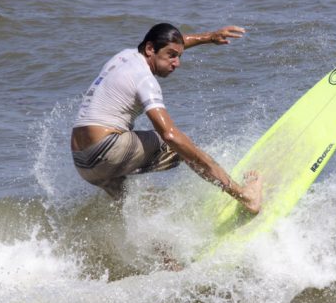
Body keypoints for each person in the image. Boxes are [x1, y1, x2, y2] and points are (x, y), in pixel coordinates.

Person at [71, 23, 262, 214]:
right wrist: (192, 152)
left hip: (83, 163)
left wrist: (209, 37)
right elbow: (170, 136)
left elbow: (172, 44)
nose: (177, 63)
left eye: (179, 56)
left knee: (137, 201)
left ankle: (155, 243)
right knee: (180, 145)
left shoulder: (124, 56)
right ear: (149, 49)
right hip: (108, 150)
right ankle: (244, 196)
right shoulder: (145, 79)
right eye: (172, 56)